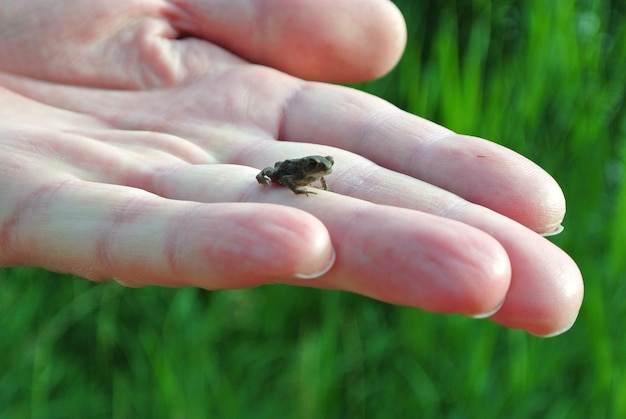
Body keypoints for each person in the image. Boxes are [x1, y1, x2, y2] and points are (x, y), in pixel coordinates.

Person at [0, 0, 582, 336]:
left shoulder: (315, 168)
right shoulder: (296, 171)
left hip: (287, 172)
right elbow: (288, 174)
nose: (326, 165)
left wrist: (315, 180)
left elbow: (314, 172)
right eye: (322, 163)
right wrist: (293, 183)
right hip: (277, 172)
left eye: (326, 164)